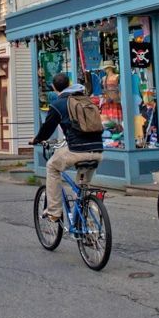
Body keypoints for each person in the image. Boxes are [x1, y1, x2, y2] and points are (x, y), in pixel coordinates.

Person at [29, 73, 103, 222]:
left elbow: (48, 128)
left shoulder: (58, 104)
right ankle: (86, 223)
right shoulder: (85, 99)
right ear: (69, 83)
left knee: (52, 166)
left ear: (54, 87)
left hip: (77, 150)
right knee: (82, 187)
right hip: (98, 150)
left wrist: (37, 139)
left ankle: (54, 211)